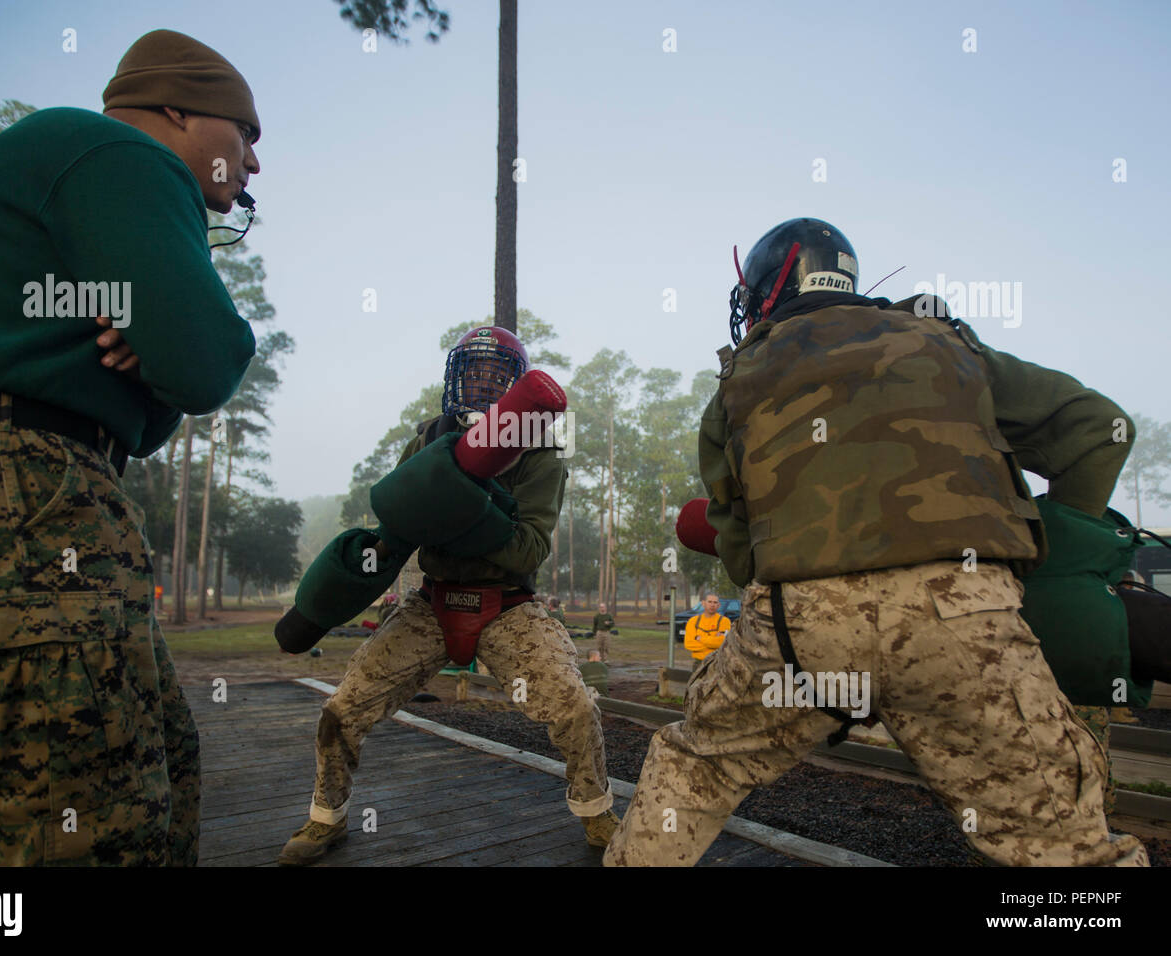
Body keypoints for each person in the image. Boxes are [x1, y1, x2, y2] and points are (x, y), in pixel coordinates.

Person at [606, 217, 1147, 867]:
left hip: (803, 626)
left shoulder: (738, 381)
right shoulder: (944, 344)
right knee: (1062, 843)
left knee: (695, 771)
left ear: (761, 297)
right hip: (963, 616)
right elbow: (1099, 427)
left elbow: (745, 557)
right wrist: (1052, 561)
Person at [0, 29, 261, 865]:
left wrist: (143, 359)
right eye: (247, 134)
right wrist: (177, 345)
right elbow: (204, 359)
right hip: (16, 492)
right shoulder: (111, 151)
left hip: (24, 486)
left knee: (151, 757)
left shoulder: (68, 187)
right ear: (177, 110)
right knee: (77, 810)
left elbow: (151, 424)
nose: (254, 164)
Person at [279, 326, 617, 864]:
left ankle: (597, 814)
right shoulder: (428, 438)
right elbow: (401, 523)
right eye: (472, 371)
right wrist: (346, 578)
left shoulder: (540, 447)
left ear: (512, 386)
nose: (481, 384)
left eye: (494, 375)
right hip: (432, 603)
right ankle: (327, 819)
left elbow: (528, 548)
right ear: (454, 377)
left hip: (508, 604)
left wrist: (466, 508)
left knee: (575, 706)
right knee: (342, 710)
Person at [684, 593, 731, 669]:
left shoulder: (724, 621)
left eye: (715, 602)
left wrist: (700, 639)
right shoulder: (693, 621)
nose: (712, 605)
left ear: (719, 605)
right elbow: (689, 644)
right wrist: (713, 644)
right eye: (709, 602)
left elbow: (722, 643)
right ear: (703, 603)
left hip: (718, 663)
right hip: (698, 663)